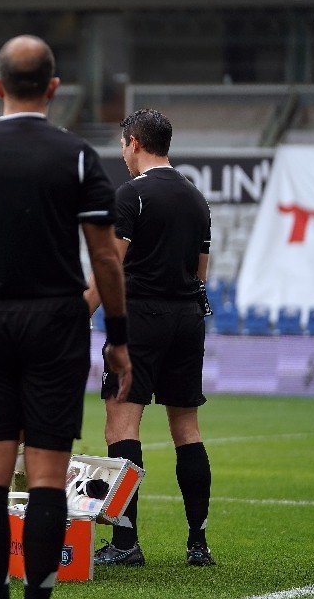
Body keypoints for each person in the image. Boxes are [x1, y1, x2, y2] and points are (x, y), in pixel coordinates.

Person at [0, 35, 132, 599]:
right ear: (54, 88)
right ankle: (39, 591)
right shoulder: (79, 155)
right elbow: (107, 256)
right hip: (57, 324)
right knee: (45, 473)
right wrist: (117, 336)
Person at [83, 109, 215, 567]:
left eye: (123, 144)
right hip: (187, 318)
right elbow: (201, 273)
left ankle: (125, 544)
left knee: (122, 423)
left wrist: (83, 309)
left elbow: (111, 265)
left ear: (134, 141)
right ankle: (198, 543)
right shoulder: (197, 198)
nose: (123, 153)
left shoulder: (131, 194)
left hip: (141, 318)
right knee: (186, 428)